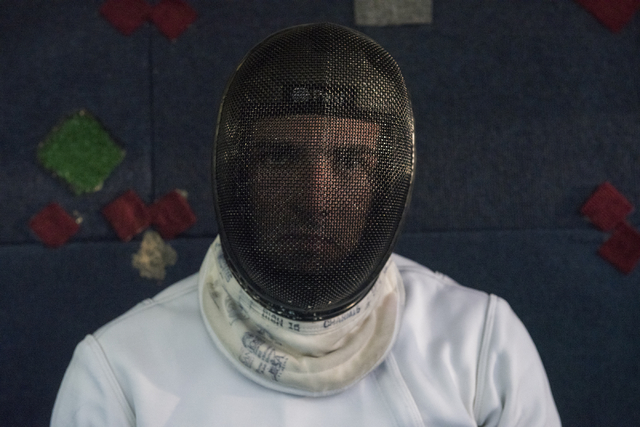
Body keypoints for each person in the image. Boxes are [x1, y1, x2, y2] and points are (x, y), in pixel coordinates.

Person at [51, 23, 561, 426]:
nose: (316, 198)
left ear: (382, 180)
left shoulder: (477, 345)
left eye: (350, 164)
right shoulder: (120, 371)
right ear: (239, 173)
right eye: (279, 157)